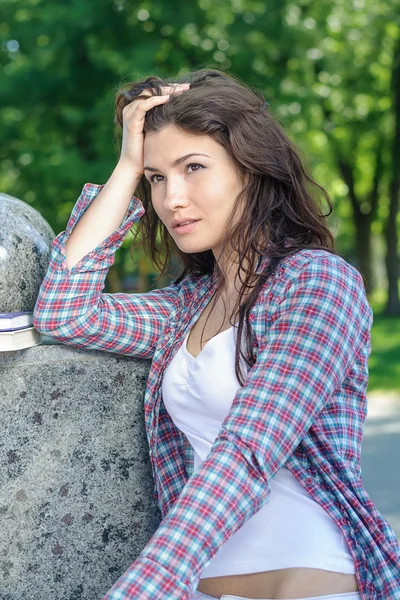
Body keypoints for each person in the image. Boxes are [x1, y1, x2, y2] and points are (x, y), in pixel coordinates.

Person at [33, 69, 400, 600]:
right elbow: (62, 313)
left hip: (307, 580)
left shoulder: (320, 284)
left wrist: (143, 587)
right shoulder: (186, 307)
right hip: (199, 584)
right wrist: (127, 165)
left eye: (194, 168)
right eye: (157, 179)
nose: (171, 198)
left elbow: (249, 449)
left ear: (250, 170)